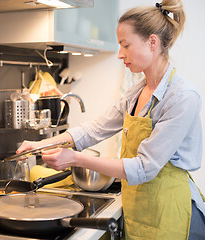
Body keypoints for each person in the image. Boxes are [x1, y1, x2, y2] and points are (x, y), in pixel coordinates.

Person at [17, 0, 205, 239]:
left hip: (173, 213)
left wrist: (75, 159)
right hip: (140, 209)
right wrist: (39, 145)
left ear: (152, 42)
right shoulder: (137, 92)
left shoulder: (182, 97)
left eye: (125, 45)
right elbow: (95, 129)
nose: (119, 54)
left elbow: (144, 168)